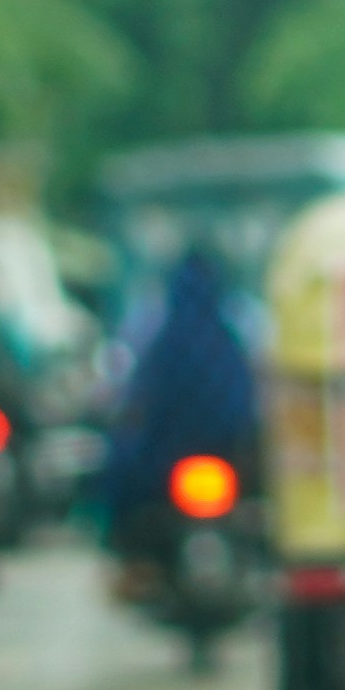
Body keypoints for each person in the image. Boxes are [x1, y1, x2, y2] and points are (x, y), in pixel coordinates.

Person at [102, 243, 262, 571]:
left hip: (170, 460)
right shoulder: (233, 330)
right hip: (224, 454)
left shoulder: (159, 333)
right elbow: (248, 396)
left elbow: (139, 394)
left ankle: (130, 563)